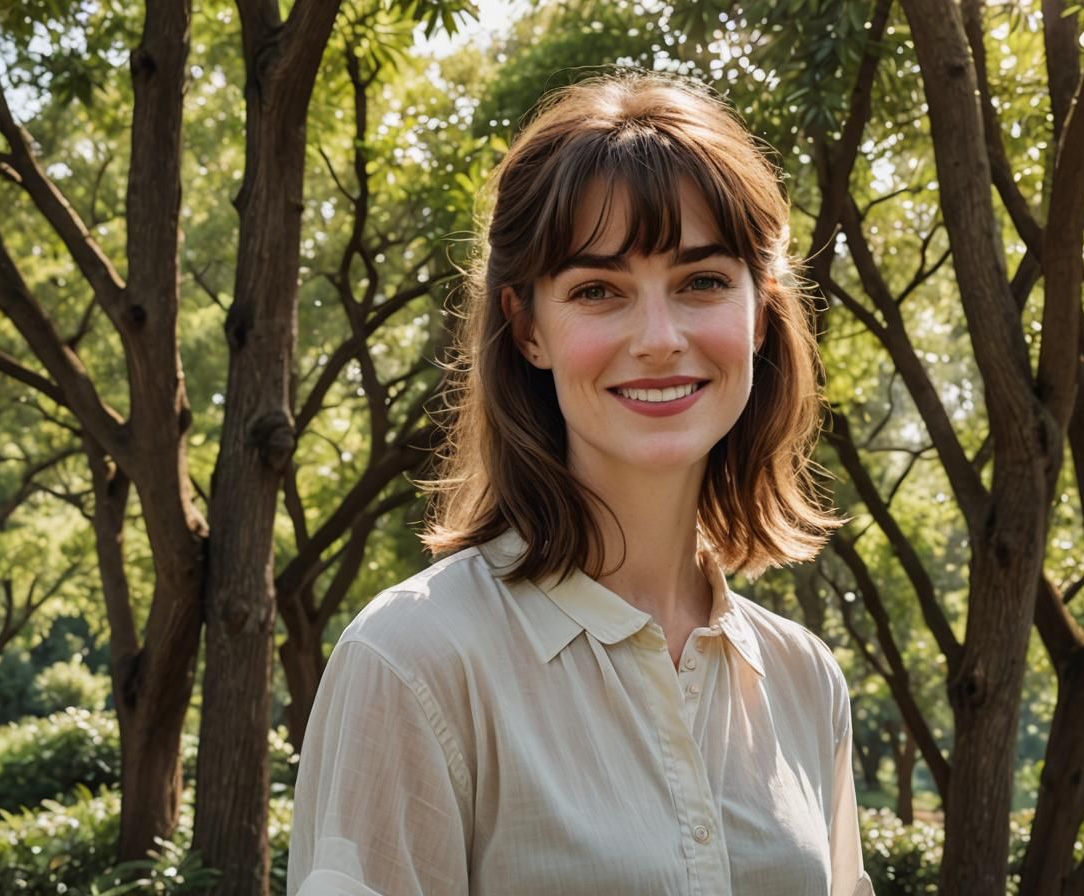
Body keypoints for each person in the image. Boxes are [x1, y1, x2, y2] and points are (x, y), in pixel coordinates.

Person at [287, 70, 874, 896]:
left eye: (702, 281)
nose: (660, 338)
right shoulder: (411, 663)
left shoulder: (806, 681)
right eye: (599, 291)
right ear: (528, 329)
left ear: (761, 312)